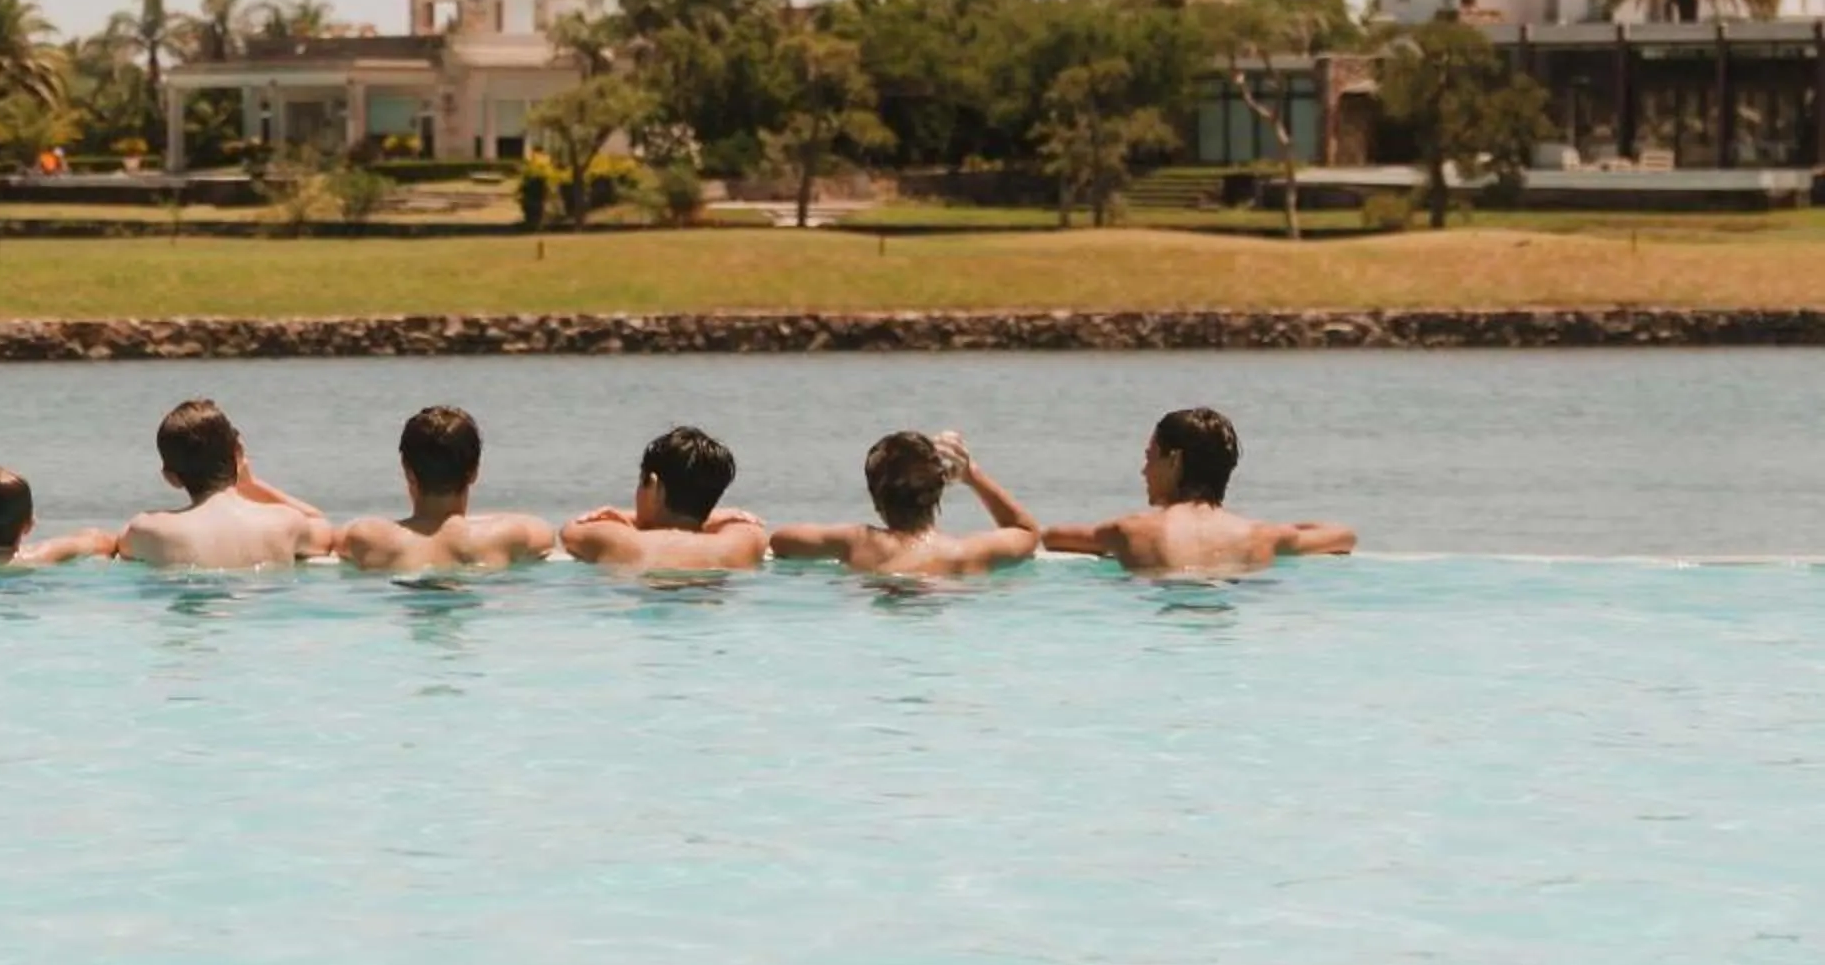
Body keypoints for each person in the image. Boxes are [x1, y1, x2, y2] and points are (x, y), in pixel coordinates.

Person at [1042, 407, 1357, 572]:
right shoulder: (1262, 535)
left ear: (1174, 460)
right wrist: (1285, 528)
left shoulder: (1131, 531)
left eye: (1150, 457)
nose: (1144, 470)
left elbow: (1053, 537)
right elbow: (1342, 535)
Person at [765, 430, 1041, 576]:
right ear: (939, 490)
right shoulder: (965, 552)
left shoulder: (858, 541)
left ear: (876, 499)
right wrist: (973, 477)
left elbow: (781, 540)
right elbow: (1027, 532)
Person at [119, 399, 339, 569]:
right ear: (238, 454)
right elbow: (322, 527)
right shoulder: (285, 521)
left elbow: (122, 548)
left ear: (170, 477)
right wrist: (251, 484)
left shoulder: (148, 529)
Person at [335, 406, 556, 572]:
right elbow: (546, 533)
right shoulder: (505, 534)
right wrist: (467, 522)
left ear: (408, 471)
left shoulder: (366, 536)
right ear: (474, 472)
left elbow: (325, 537)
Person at [560, 427, 768, 571]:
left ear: (653, 484)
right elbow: (752, 526)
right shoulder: (740, 541)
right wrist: (712, 515)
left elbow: (571, 530)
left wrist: (627, 516)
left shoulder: (618, 539)